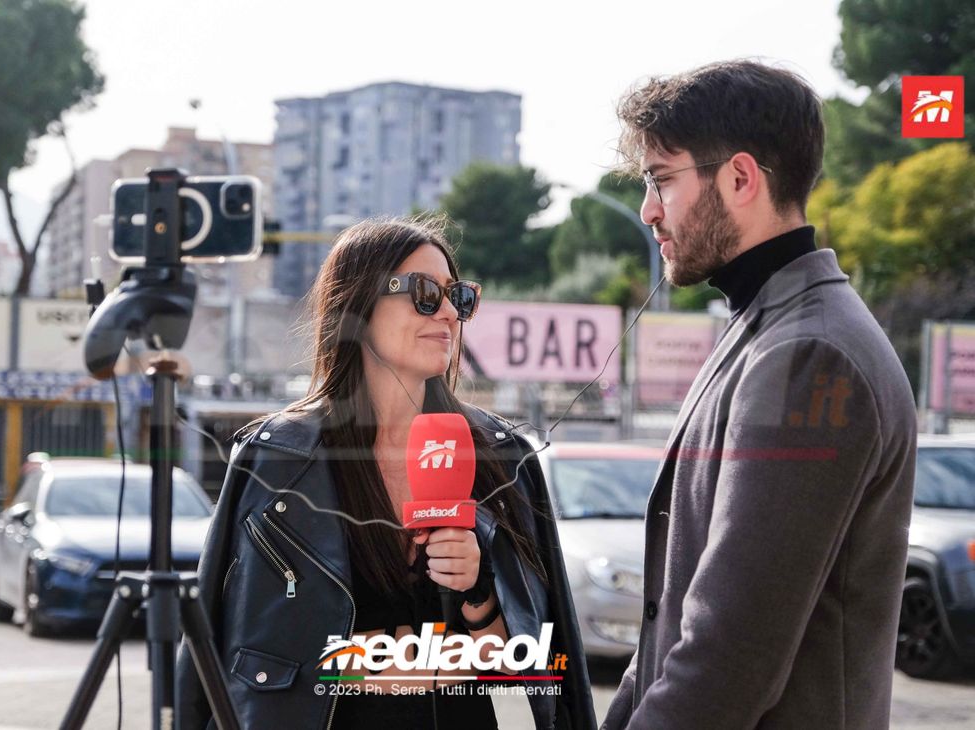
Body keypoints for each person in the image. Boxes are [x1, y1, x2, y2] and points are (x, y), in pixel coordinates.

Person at [177, 217, 595, 729]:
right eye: (425, 294)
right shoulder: (277, 457)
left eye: (458, 296)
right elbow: (229, 647)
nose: (449, 313)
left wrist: (478, 591)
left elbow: (532, 671)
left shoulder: (502, 456)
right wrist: (365, 665)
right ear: (357, 305)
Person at [601, 61, 917, 729]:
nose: (648, 210)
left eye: (662, 180)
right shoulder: (773, 329)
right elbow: (670, 635)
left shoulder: (809, 352)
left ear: (741, 178)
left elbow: (728, 656)